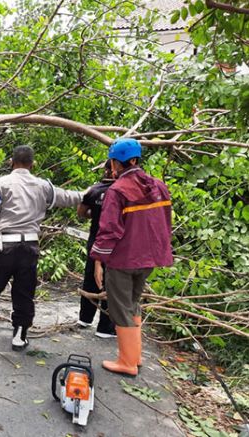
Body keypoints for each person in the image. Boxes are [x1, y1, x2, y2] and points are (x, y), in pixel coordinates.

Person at [0, 145, 84, 354]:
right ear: (33, 164)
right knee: (24, 292)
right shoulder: (42, 186)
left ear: (11, 162)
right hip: (29, 247)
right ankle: (20, 337)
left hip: (4, 246)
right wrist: (91, 193)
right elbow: (67, 197)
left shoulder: (2, 183)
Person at [91, 138, 173, 377]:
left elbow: (109, 231)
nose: (112, 167)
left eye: (113, 162)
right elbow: (165, 223)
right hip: (149, 258)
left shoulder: (117, 191)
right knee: (134, 303)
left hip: (124, 259)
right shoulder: (159, 186)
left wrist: (98, 260)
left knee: (120, 308)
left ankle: (126, 362)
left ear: (118, 163)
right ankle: (134, 357)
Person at [76, 160, 116, 338]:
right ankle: (105, 327)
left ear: (107, 170)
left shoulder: (94, 190)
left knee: (91, 278)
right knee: (112, 282)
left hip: (95, 240)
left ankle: (85, 318)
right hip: (115, 244)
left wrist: (95, 213)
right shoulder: (123, 191)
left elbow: (81, 212)